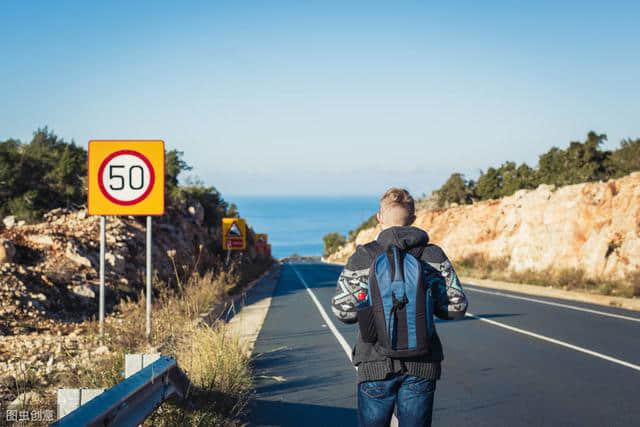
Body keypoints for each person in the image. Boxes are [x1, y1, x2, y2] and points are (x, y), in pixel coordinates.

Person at [331, 188, 468, 427]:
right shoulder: (432, 255)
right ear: (413, 219)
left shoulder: (365, 256)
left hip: (374, 363)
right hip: (421, 364)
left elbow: (343, 311)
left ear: (379, 218)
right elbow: (456, 307)